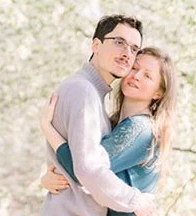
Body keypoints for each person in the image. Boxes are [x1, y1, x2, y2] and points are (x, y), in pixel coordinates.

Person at [38, 15, 157, 216]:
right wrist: (136, 200)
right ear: (96, 45)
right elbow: (88, 169)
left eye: (134, 48)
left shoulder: (90, 93)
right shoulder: (84, 91)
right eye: (119, 42)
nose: (127, 53)